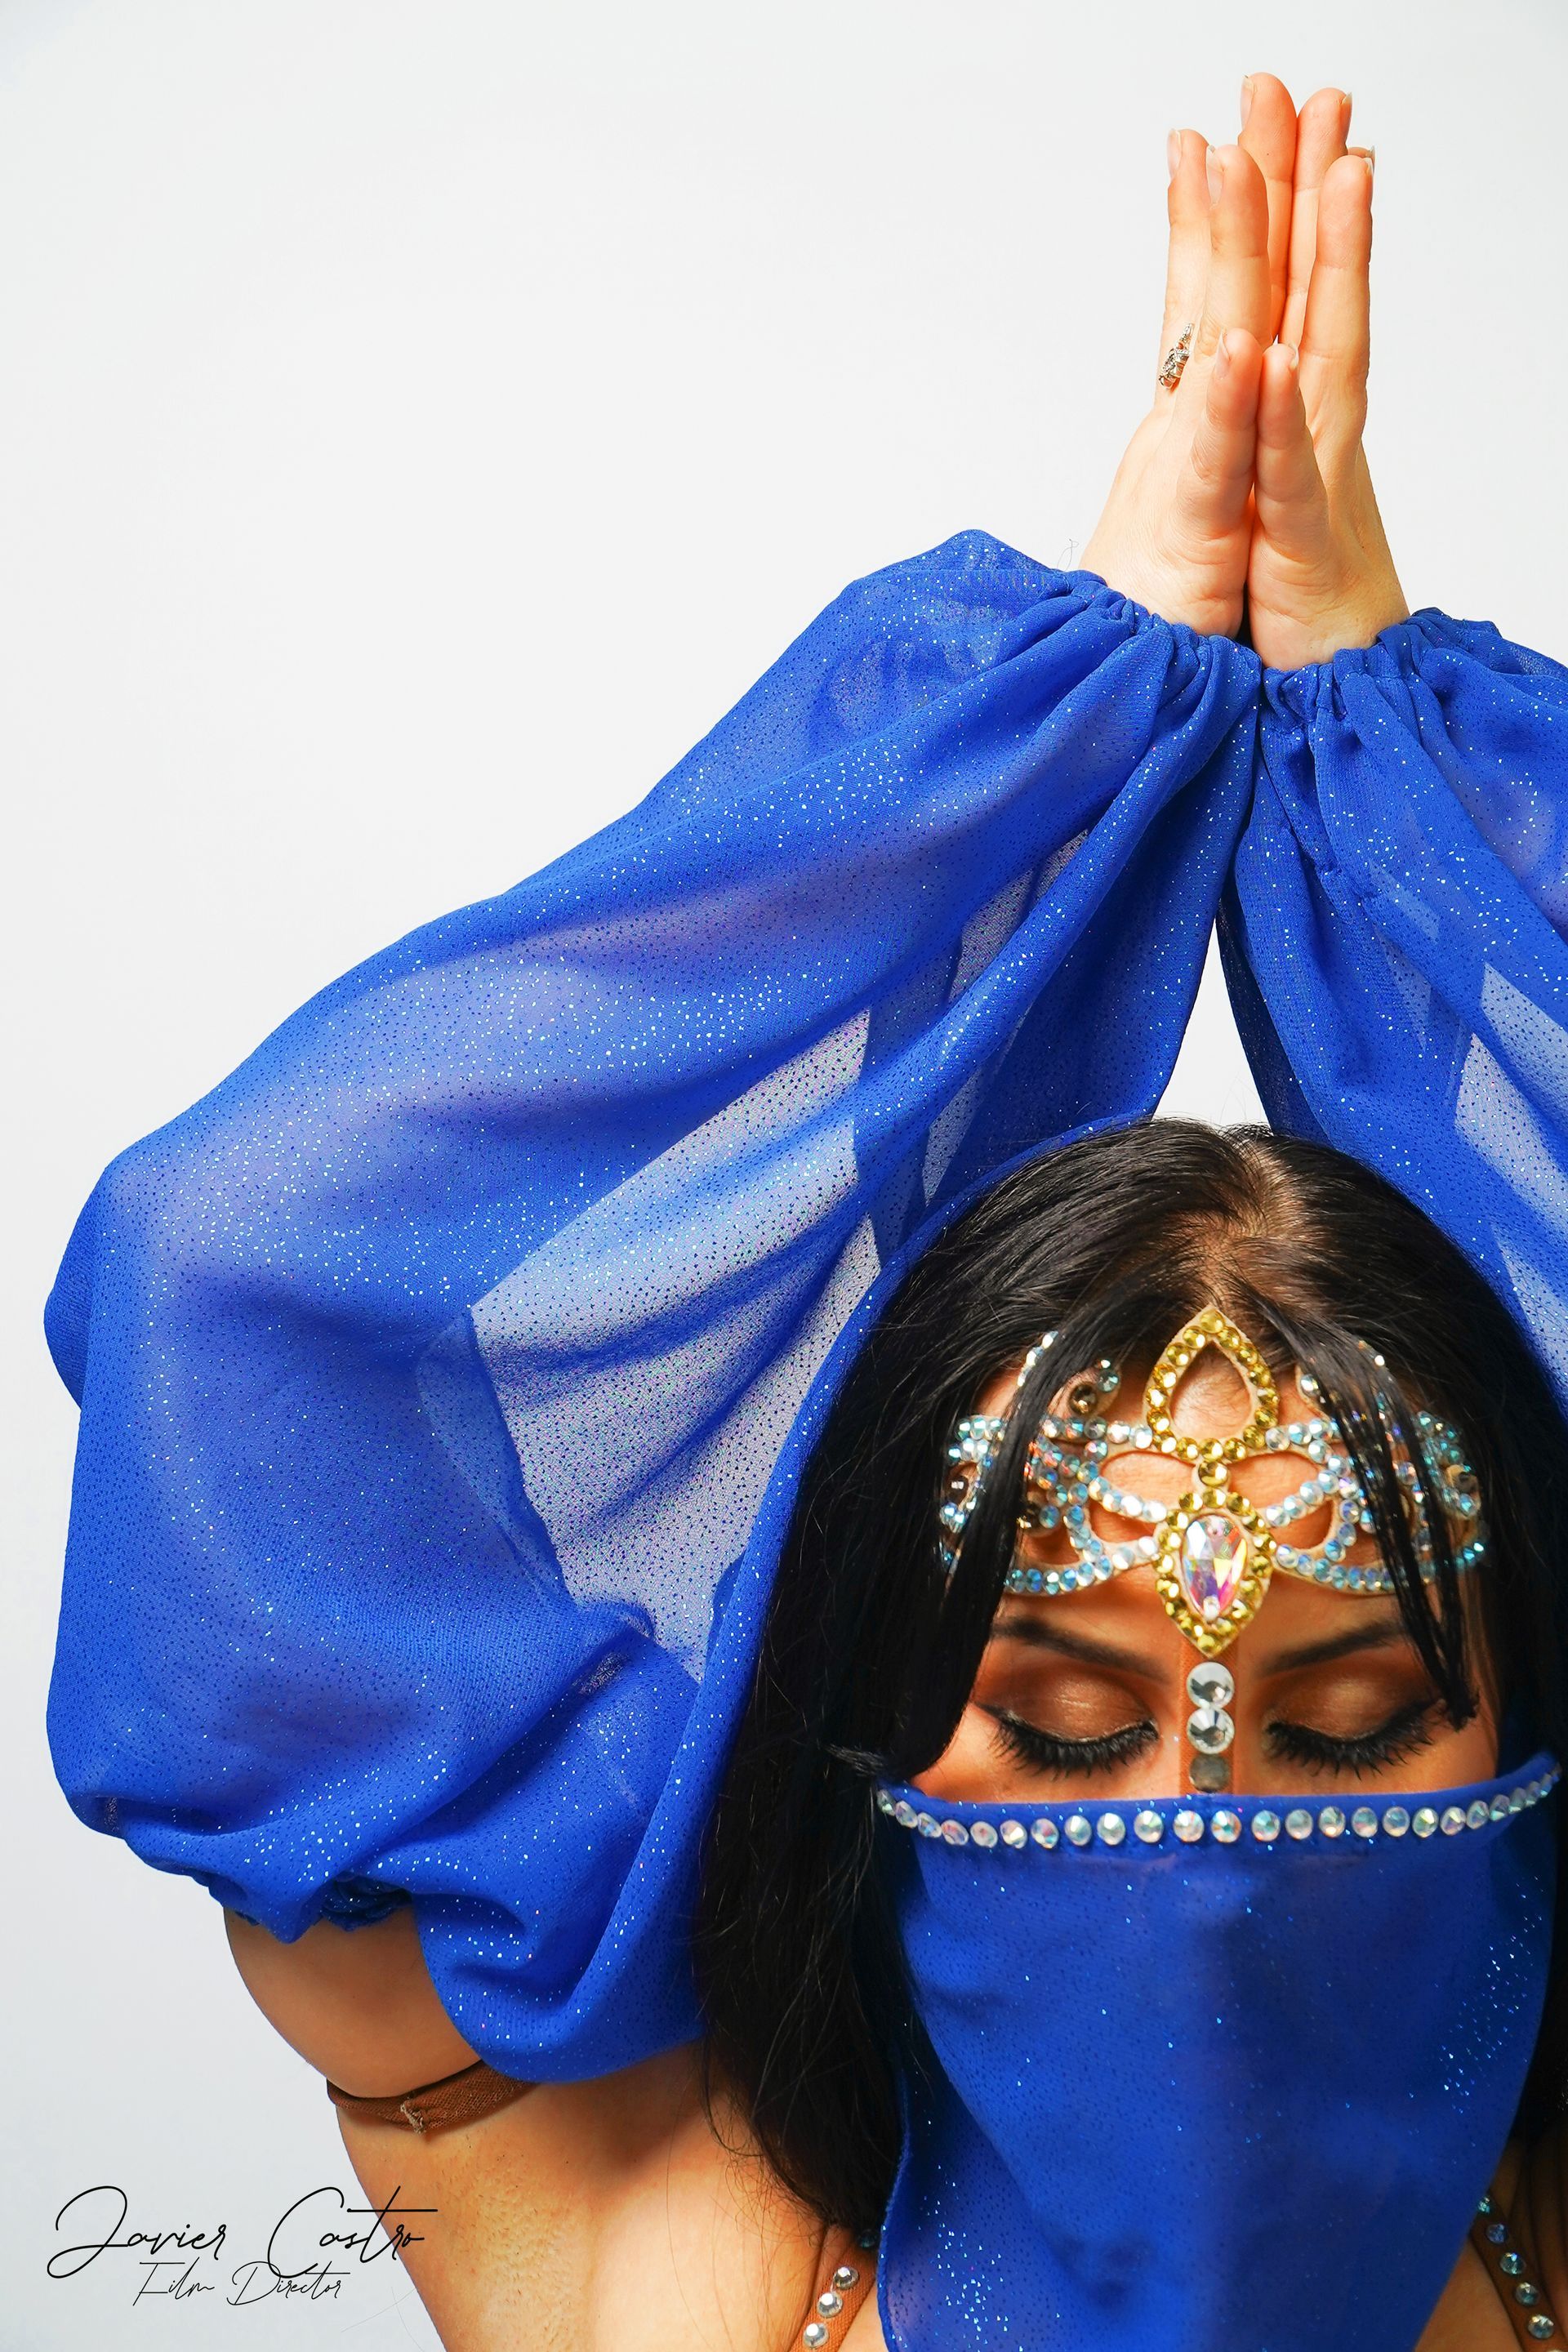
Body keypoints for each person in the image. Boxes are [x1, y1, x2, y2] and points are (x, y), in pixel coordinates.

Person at [42, 69, 1568, 2352]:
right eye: (1059, 1732)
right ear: (872, 1713)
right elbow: (226, 1282)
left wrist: (1392, 782)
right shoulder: (655, 2243)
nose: (1212, 1864)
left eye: (1350, 1724)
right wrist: (1072, 723)